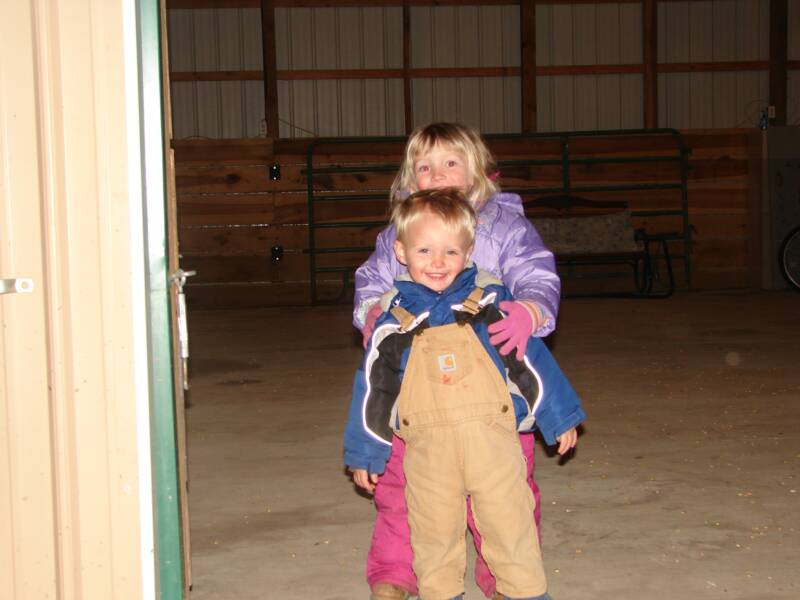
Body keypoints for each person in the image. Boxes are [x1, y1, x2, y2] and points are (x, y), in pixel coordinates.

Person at [352, 123, 561, 600]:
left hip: (493, 394)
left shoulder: (504, 226)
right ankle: (394, 572)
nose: (438, 174)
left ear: (477, 171)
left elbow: (534, 269)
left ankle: (505, 580)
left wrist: (530, 309)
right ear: (410, 178)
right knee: (404, 488)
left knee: (506, 493)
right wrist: (371, 315)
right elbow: (371, 280)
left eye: (451, 162)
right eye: (425, 166)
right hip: (418, 391)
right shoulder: (399, 236)